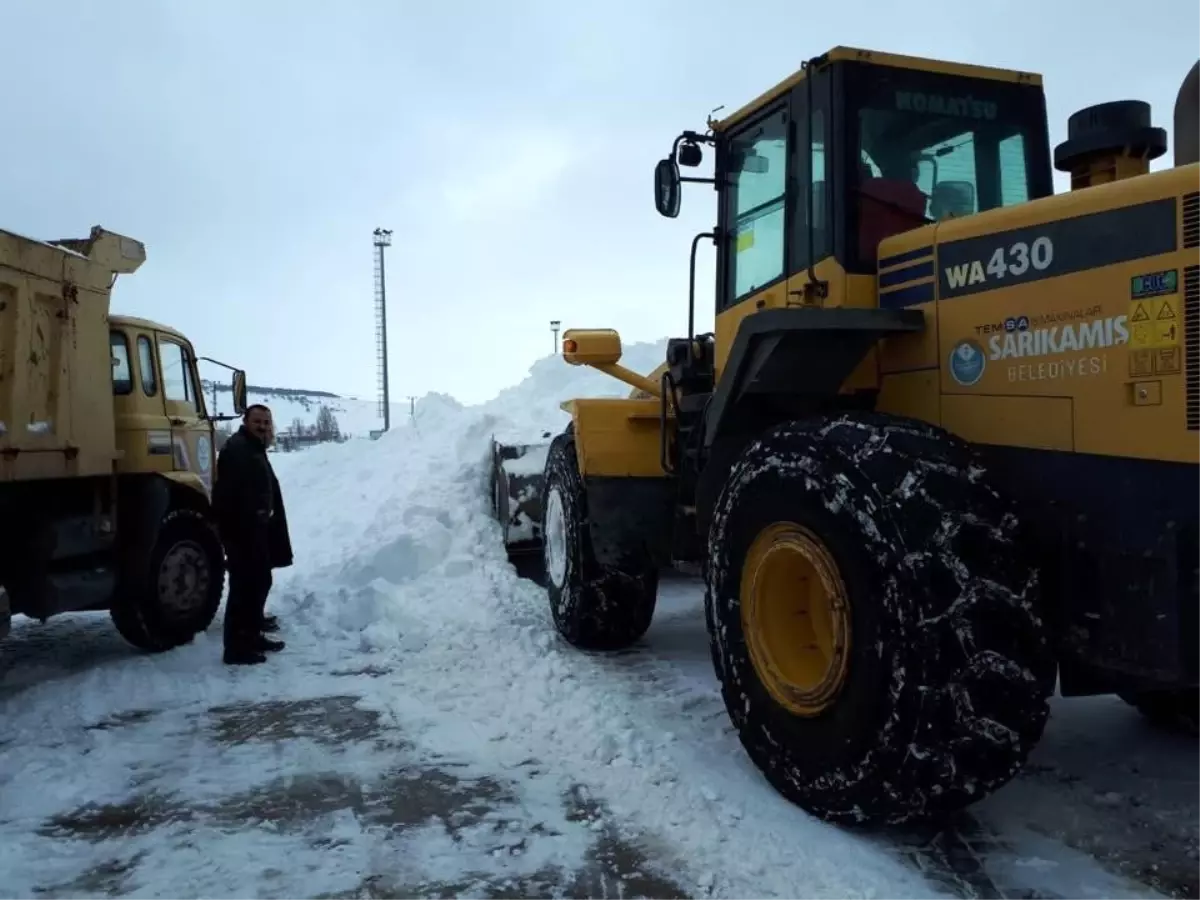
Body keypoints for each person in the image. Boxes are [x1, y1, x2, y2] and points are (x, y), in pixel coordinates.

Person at [213, 404, 294, 665]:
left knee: (259, 583)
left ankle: (252, 635)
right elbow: (228, 495)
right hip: (242, 532)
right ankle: (236, 648)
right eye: (258, 421)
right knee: (244, 589)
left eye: (267, 422)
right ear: (246, 422)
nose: (263, 426)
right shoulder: (238, 450)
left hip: (255, 531)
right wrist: (245, 525)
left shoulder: (252, 447)